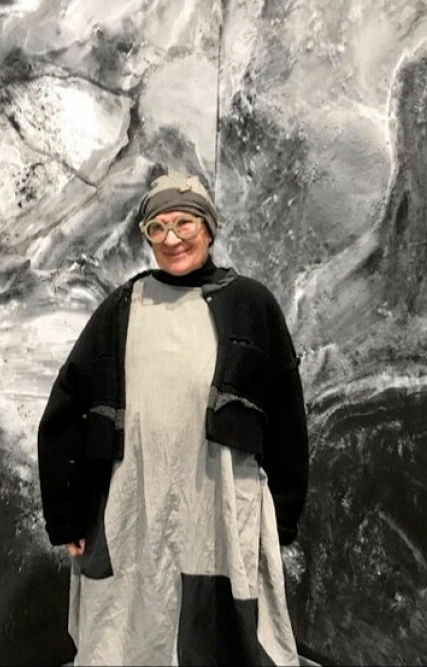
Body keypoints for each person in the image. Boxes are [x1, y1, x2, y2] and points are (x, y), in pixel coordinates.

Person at [38, 170, 309, 666]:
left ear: (208, 228)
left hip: (218, 510)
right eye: (157, 228)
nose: (171, 238)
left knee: (221, 638)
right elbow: (65, 407)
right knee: (126, 634)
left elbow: (286, 413)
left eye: (184, 223)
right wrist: (67, 514)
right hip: (133, 510)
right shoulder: (121, 308)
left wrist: (284, 515)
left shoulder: (252, 304)